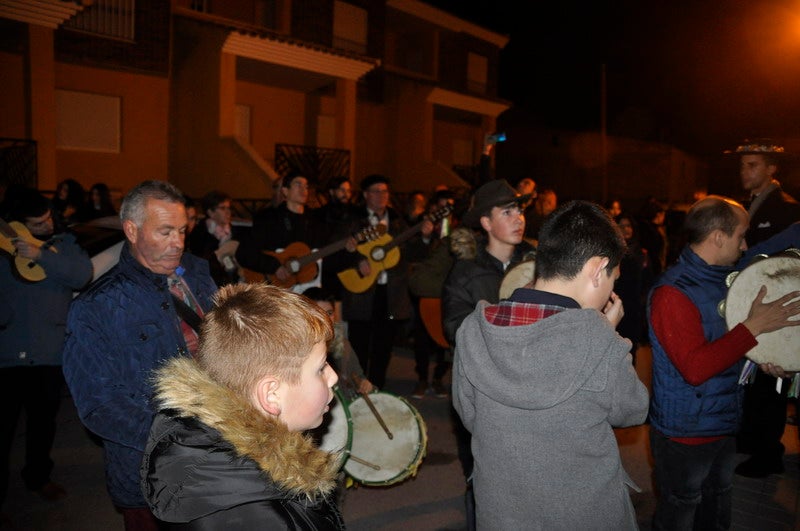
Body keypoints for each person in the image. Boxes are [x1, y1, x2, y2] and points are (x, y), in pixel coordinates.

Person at [452, 200, 649, 530]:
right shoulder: (599, 339)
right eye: (613, 278)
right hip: (584, 513)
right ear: (598, 269)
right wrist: (608, 335)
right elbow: (633, 409)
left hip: (502, 511)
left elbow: (470, 415)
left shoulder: (474, 328)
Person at [62, 180, 218, 530]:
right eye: (165, 232)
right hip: (149, 473)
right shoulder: (96, 307)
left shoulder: (196, 270)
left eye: (181, 230)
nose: (177, 243)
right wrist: (182, 437)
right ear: (131, 230)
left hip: (217, 458)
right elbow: (99, 407)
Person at [647, 195, 800, 530]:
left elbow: (726, 347)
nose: (745, 246)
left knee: (716, 512)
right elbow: (695, 368)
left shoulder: (723, 280)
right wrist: (753, 328)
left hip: (722, 423)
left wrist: (761, 361)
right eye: (740, 236)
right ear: (718, 236)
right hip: (685, 435)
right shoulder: (672, 293)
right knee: (679, 515)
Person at [140, 283, 344, 530]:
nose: (333, 376)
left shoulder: (202, 454)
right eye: (321, 368)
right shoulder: (264, 515)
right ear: (272, 395)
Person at [440, 178, 533, 530]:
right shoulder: (466, 271)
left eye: (520, 210)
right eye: (507, 212)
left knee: (526, 476)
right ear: (485, 222)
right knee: (482, 478)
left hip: (528, 386)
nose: (518, 218)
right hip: (481, 389)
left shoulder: (538, 264)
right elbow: (455, 328)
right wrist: (504, 316)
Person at [0, 188, 93, 520]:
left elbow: (82, 274)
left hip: (49, 353)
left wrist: (42, 255)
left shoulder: (64, 245)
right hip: (8, 353)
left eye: (49, 218)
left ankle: (38, 477)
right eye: (37, 223)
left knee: (42, 424)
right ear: (17, 225)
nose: (47, 225)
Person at [734, 140, 800, 478]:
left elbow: (783, 268)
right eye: (743, 165)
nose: (744, 171)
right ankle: (751, 439)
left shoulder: (786, 209)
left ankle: (768, 452)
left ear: (772, 169)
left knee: (770, 381)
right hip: (754, 305)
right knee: (754, 377)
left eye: (753, 165)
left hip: (775, 310)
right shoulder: (753, 205)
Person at [339, 174, 432, 389]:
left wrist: (426, 237)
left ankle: (377, 388)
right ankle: (356, 389)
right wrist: (357, 259)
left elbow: (413, 253)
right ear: (365, 195)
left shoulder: (398, 222)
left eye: (385, 191)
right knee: (359, 345)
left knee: (383, 347)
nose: (381, 196)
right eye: (376, 191)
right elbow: (337, 251)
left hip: (390, 293)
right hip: (362, 292)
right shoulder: (352, 221)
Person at [236, 172, 321, 290]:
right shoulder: (268, 218)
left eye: (306, 186)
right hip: (273, 288)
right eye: (298, 185)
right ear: (285, 191)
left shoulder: (315, 220)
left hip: (306, 286)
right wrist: (274, 267)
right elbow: (244, 253)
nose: (304, 189)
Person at [303, 286, 374, 400]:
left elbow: (359, 376)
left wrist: (364, 383)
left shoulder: (343, 344)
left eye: (329, 313)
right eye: (318, 313)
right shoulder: (297, 353)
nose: (325, 319)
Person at [187, 190, 246, 287]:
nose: (228, 212)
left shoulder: (234, 232)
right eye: (223, 208)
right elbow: (202, 262)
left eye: (229, 208)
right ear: (211, 212)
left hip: (234, 282)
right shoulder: (199, 233)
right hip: (211, 285)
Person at [313, 176, 359, 300]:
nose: (346, 194)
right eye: (342, 190)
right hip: (324, 271)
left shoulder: (355, 215)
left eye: (348, 191)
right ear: (332, 191)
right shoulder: (318, 215)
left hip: (346, 270)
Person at [614, 212, 651, 362]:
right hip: (615, 308)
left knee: (631, 354)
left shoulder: (642, 254)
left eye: (628, 226)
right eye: (621, 226)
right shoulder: (613, 253)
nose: (625, 229)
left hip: (634, 310)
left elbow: (648, 282)